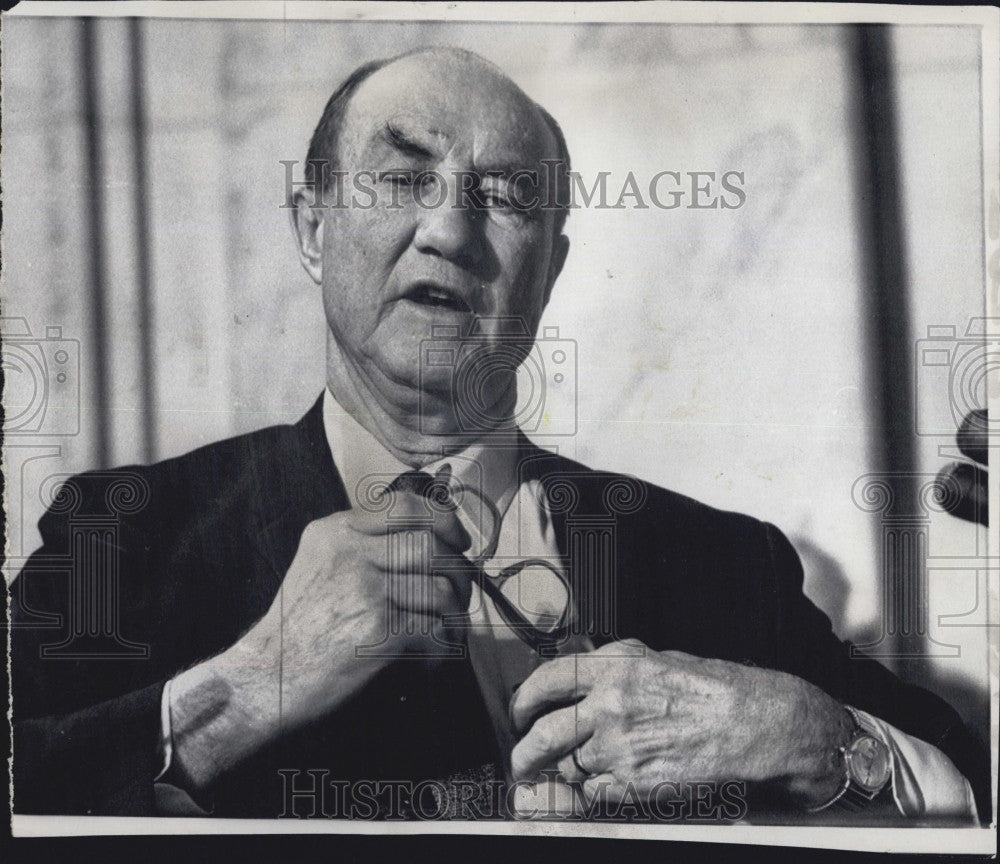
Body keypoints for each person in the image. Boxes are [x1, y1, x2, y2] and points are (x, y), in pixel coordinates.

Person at [10, 47, 989, 823]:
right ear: (311, 228)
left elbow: (969, 786)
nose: (451, 229)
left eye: (508, 195)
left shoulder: (718, 560)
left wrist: (821, 740)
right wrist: (250, 687)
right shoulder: (124, 531)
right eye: (402, 177)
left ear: (550, 267)